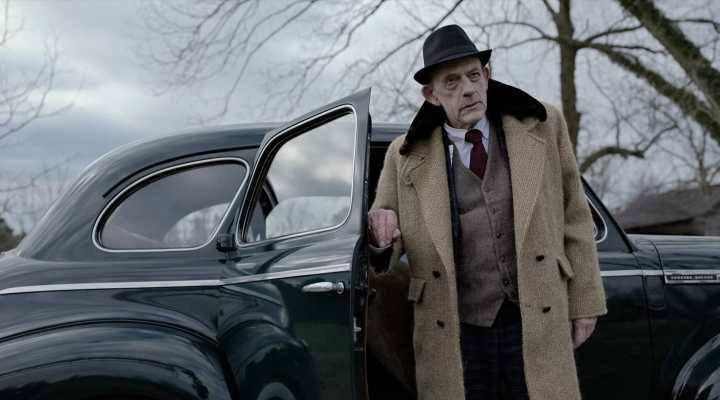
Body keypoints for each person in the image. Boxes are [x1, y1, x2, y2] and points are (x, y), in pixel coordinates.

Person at [368, 24, 607, 400]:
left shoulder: (544, 125)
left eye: (474, 75)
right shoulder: (405, 155)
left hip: (534, 316)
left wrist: (585, 303)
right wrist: (381, 236)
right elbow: (383, 235)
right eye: (451, 82)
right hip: (455, 327)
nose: (467, 89)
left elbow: (575, 216)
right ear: (431, 95)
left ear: (487, 76)